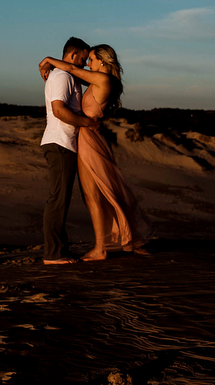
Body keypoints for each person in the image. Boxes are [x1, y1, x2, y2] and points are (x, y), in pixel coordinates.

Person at [39, 45, 152, 261]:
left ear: (102, 61)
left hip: (90, 139)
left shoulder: (104, 81)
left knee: (95, 194)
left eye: (90, 59)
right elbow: (70, 72)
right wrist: (52, 63)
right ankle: (114, 241)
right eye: (86, 59)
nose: (87, 63)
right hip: (85, 138)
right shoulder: (94, 80)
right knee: (94, 193)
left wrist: (49, 59)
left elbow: (71, 70)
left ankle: (102, 247)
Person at [39, 37, 98, 265]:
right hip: (59, 144)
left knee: (61, 199)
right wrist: (88, 123)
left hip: (65, 144)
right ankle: (53, 255)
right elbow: (59, 111)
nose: (83, 64)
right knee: (58, 199)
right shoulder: (62, 76)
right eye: (83, 59)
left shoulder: (66, 75)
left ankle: (59, 250)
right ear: (72, 56)